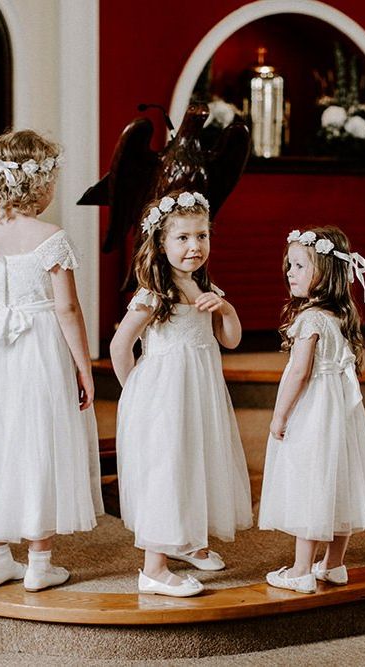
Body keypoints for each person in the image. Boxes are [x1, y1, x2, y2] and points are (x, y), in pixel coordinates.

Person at [0, 129, 103, 592]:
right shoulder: (50, 238)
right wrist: (83, 366)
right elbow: (67, 309)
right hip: (40, 350)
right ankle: (39, 562)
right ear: (39, 183)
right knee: (41, 444)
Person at [110, 190, 252, 598]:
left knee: (196, 460)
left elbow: (231, 341)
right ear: (160, 243)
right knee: (167, 469)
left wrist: (226, 309)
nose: (195, 246)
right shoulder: (155, 294)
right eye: (183, 238)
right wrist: (136, 393)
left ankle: (188, 541)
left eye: (202, 236)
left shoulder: (203, 286)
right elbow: (121, 347)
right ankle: (154, 569)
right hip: (165, 398)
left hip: (200, 396)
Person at [258, 227, 365, 594]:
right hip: (342, 411)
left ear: (325, 273)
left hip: (314, 410)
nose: (290, 272)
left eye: (299, 265)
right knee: (339, 479)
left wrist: (280, 415)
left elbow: (299, 373)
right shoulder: (339, 318)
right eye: (290, 265)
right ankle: (333, 563)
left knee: (310, 481)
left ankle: (301, 569)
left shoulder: (310, 320)